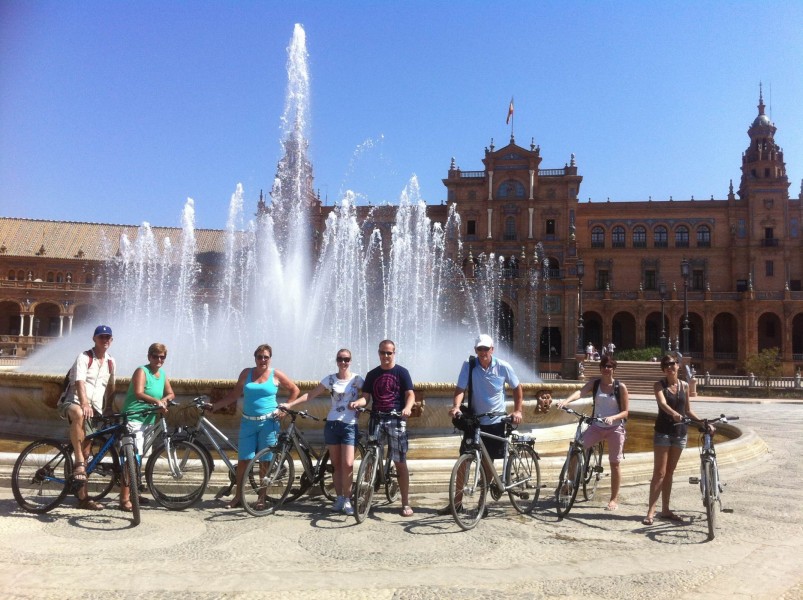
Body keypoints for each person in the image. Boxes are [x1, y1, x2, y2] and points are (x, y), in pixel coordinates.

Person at [438, 334, 523, 515]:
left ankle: (482, 504)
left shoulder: (503, 366)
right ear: (475, 350)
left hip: (496, 421)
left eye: (486, 349)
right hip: (474, 421)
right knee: (463, 460)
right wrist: (456, 407)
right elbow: (460, 389)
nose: (483, 352)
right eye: (479, 349)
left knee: (487, 463)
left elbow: (517, 387)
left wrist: (518, 410)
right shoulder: (469, 365)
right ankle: (457, 502)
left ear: (492, 349)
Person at [212, 344, 299, 509]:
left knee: (265, 461)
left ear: (270, 358)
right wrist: (215, 406)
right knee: (244, 460)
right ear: (255, 358)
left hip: (269, 422)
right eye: (260, 357)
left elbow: (295, 390)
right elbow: (234, 395)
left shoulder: (276, 374)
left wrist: (286, 407)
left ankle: (261, 498)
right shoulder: (246, 373)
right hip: (248, 422)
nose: (263, 360)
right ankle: (238, 497)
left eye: (266, 357)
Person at [282, 348, 363, 516]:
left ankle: (348, 499)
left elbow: (368, 397)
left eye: (346, 359)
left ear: (350, 361)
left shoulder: (357, 380)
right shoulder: (330, 379)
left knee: (347, 464)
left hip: (349, 424)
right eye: (340, 359)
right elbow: (311, 395)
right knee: (336, 465)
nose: (343, 362)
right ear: (336, 360)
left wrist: (360, 404)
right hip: (333, 424)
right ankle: (340, 497)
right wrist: (290, 405)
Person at [555, 354, 629, 511]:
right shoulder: (595, 384)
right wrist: (565, 402)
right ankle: (569, 484)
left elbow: (626, 412)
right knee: (576, 449)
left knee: (615, 463)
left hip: (615, 428)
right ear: (600, 368)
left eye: (609, 366)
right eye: (604, 366)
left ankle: (613, 499)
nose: (606, 369)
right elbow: (580, 392)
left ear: (613, 368)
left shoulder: (620, 387)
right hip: (596, 426)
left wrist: (613, 417)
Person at [351, 340, 416, 517]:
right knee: (370, 457)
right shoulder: (372, 374)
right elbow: (366, 397)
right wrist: (358, 402)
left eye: (389, 353)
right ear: (378, 353)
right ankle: (365, 497)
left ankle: (405, 502)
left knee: (400, 461)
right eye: (382, 353)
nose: (386, 356)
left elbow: (410, 394)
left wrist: (408, 407)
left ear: (394, 353)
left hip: (396, 418)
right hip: (377, 418)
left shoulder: (402, 372)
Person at [57, 324, 117, 510]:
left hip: (95, 410)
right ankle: (78, 462)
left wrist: (108, 407)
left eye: (107, 337)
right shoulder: (84, 357)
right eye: (101, 337)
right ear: (94, 338)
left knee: (88, 452)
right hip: (72, 402)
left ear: (111, 341)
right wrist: (84, 402)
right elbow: (79, 381)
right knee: (79, 413)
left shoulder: (110, 361)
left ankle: (83, 498)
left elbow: (111, 387)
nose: (104, 340)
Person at [643, 354, 704, 525]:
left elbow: (688, 410)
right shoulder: (659, 385)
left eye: (673, 364)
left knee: (669, 473)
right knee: (659, 473)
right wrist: (673, 414)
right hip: (663, 431)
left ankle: (666, 510)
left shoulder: (684, 386)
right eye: (666, 365)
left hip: (680, 433)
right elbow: (662, 403)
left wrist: (702, 422)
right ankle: (650, 512)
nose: (670, 367)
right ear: (663, 369)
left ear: (678, 366)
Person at [119, 342, 174, 512]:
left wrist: (165, 400)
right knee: (132, 458)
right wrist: (156, 401)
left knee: (139, 456)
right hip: (135, 417)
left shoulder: (162, 374)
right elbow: (138, 392)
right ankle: (124, 498)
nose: (159, 360)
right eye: (155, 356)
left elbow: (171, 393)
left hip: (149, 420)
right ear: (149, 356)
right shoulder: (141, 371)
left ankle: (134, 492)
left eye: (162, 357)